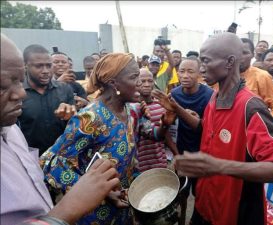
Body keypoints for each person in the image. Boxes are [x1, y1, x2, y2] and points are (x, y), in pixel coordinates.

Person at [152, 32, 273, 225]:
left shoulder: (251, 108)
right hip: (206, 203)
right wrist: (177, 110)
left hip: (234, 212)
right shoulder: (215, 97)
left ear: (229, 62)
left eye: (205, 61)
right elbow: (207, 128)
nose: (201, 69)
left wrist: (220, 166)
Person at [41, 53, 174, 225]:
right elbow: (51, 162)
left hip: (124, 204)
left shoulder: (131, 110)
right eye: (135, 78)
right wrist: (103, 191)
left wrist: (166, 123)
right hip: (94, 211)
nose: (141, 84)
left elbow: (152, 134)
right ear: (113, 83)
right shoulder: (90, 118)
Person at [0, 33, 119, 225]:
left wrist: (70, 118)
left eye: (49, 65)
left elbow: (71, 133)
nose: (20, 94)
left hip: (55, 169)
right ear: (27, 67)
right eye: (3, 86)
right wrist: (66, 210)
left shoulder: (11, 129)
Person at [170, 56, 213, 225]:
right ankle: (181, 220)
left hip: (201, 154)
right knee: (181, 193)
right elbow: (167, 127)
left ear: (199, 75)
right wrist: (175, 153)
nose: (185, 75)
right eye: (182, 71)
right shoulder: (173, 94)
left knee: (200, 194)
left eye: (190, 71)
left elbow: (207, 128)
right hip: (180, 151)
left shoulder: (210, 95)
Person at [17, 44, 76, 155]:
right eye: (39, 66)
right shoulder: (17, 93)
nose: (45, 71)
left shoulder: (65, 89)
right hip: (30, 159)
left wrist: (72, 114)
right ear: (25, 66)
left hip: (62, 156)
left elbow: (73, 124)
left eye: (49, 66)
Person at [240, 38, 273, 121]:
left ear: (253, 55)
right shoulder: (221, 75)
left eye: (245, 53)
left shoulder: (262, 76)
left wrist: (262, 125)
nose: (240, 56)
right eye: (236, 52)